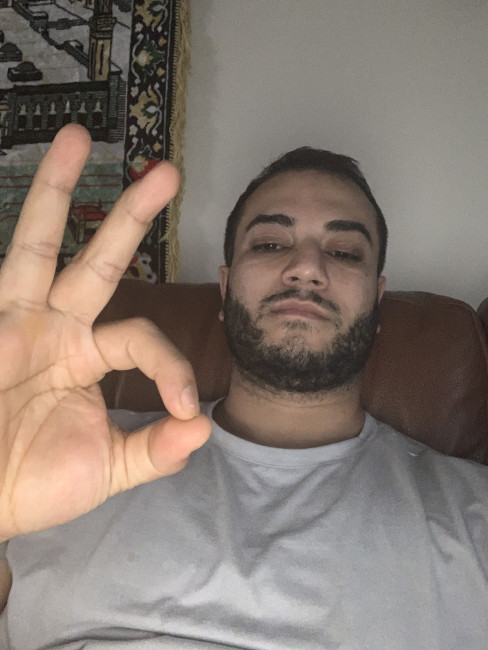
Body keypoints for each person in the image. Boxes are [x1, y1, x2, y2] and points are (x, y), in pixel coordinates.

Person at [0, 124, 486, 649]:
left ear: (377, 300)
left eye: (345, 252)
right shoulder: (58, 450)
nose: (306, 268)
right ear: (226, 287)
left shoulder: (473, 514)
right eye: (271, 243)